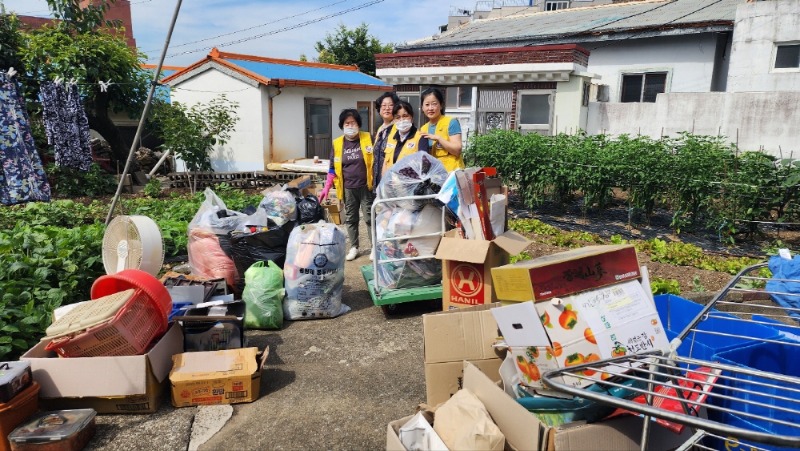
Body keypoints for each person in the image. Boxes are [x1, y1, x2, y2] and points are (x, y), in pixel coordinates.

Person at [319, 109, 374, 261]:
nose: (350, 126)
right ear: (342, 125)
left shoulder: (368, 138)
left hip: (366, 186)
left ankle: (374, 247)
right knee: (351, 218)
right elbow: (332, 168)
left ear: (359, 124)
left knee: (370, 217)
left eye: (353, 123)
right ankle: (354, 247)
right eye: (347, 123)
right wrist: (327, 187)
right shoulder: (337, 143)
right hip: (348, 188)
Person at [419, 87, 464, 172]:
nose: (430, 108)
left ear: (441, 105)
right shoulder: (423, 129)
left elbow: (457, 150)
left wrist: (439, 139)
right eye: (427, 104)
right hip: (435, 176)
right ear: (422, 108)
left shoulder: (451, 122)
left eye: (434, 104)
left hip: (452, 174)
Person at [382, 101, 429, 175]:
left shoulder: (420, 137)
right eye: (398, 117)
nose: (402, 120)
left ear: (411, 117)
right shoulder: (391, 137)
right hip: (390, 183)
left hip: (409, 184)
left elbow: (424, 166)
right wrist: (384, 183)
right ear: (394, 120)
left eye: (405, 116)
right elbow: (385, 163)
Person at [372, 92, 400, 188]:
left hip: (392, 181)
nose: (387, 108)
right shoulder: (380, 129)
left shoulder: (399, 128)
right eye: (383, 105)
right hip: (378, 179)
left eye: (391, 105)